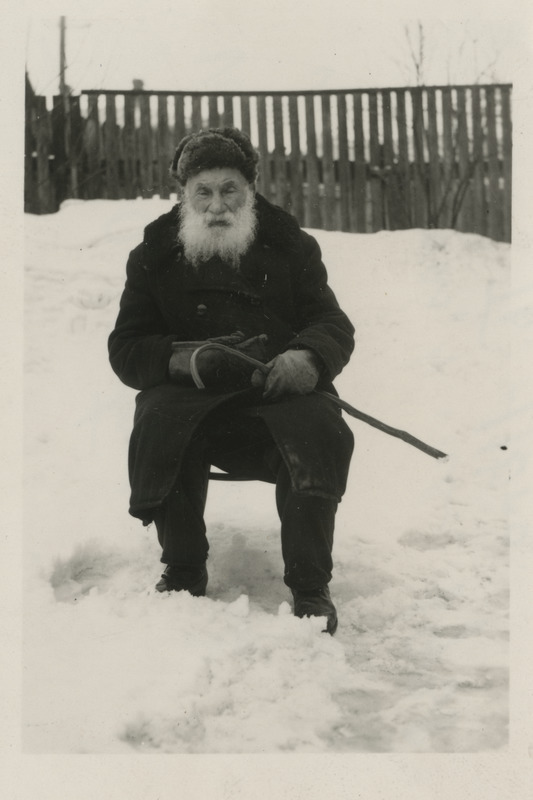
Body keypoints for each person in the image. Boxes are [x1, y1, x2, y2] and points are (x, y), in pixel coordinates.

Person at [108, 127, 354, 634]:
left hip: (276, 396)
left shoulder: (292, 246)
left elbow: (333, 325)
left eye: (229, 189)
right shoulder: (154, 254)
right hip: (193, 401)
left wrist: (306, 359)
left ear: (251, 188)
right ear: (184, 194)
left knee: (319, 426)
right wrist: (185, 361)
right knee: (158, 417)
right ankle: (183, 567)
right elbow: (127, 347)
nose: (216, 205)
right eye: (203, 191)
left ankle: (310, 585)